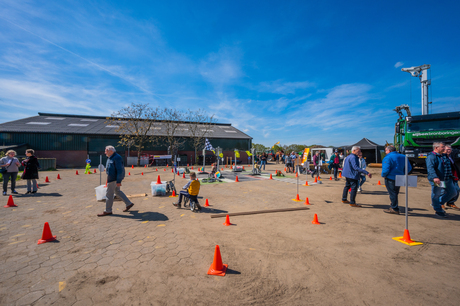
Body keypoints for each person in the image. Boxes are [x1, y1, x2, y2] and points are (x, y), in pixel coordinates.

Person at [97, 146, 134, 217]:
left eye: (106, 151)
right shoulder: (111, 157)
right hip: (112, 178)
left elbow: (120, 170)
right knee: (117, 191)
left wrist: (119, 181)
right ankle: (129, 203)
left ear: (111, 151)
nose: (105, 153)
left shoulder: (117, 158)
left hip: (113, 179)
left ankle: (108, 210)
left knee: (109, 194)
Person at [426, 142, 457, 218]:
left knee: (453, 193)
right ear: (436, 148)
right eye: (443, 147)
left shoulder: (443, 156)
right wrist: (435, 177)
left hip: (447, 178)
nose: (444, 148)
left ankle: (438, 203)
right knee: (436, 194)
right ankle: (438, 210)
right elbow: (430, 168)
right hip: (438, 180)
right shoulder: (431, 157)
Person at [381, 146, 411, 214]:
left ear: (389, 150)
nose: (385, 152)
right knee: (396, 192)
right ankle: (393, 206)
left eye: (386, 151)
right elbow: (409, 168)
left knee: (392, 193)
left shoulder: (388, 157)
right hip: (400, 177)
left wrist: (384, 175)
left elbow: (386, 169)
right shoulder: (404, 157)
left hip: (391, 178)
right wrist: (402, 173)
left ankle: (394, 208)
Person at [444, 145, 460, 210]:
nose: (448, 151)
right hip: (444, 177)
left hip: (453, 176)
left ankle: (451, 202)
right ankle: (440, 203)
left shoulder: (451, 157)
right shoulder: (441, 157)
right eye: (447, 149)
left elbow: (454, 167)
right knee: (442, 190)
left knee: (457, 189)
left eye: (450, 149)